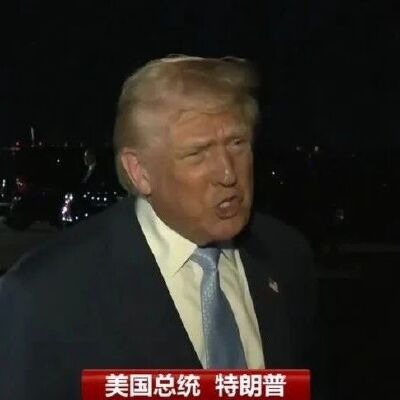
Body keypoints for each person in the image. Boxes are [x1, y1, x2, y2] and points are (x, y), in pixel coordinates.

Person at [0, 55, 323, 399]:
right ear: (139, 171)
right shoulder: (44, 295)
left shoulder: (287, 255)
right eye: (198, 153)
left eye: (237, 143)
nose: (228, 173)